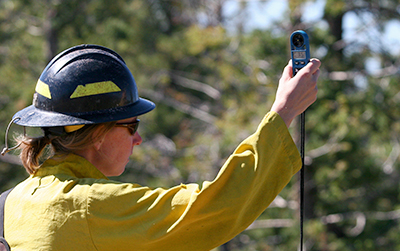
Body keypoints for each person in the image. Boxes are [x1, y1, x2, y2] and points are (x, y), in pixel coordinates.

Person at [1, 44, 320, 251]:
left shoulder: (11, 203)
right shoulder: (89, 208)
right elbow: (213, 207)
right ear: (97, 133)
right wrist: (284, 111)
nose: (138, 139)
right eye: (131, 125)